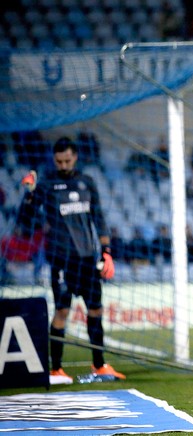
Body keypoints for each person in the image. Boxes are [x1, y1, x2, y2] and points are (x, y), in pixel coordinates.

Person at [16, 137, 126, 385]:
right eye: (58, 161)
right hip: (61, 260)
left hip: (88, 259)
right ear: (54, 160)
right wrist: (30, 194)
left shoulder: (87, 182)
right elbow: (26, 219)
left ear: (75, 156)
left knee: (96, 309)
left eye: (67, 160)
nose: (63, 164)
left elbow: (98, 217)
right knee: (62, 311)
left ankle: (99, 365)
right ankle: (56, 370)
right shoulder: (47, 184)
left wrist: (106, 250)